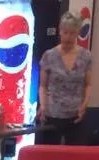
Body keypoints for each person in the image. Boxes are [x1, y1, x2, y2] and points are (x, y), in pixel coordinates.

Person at [37, 12, 92, 146]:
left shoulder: (86, 56)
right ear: (60, 31)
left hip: (76, 115)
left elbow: (88, 85)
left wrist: (84, 105)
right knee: (50, 153)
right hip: (52, 114)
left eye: (72, 33)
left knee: (75, 154)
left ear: (77, 33)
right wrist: (43, 106)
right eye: (65, 32)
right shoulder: (49, 56)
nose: (68, 37)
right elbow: (43, 85)